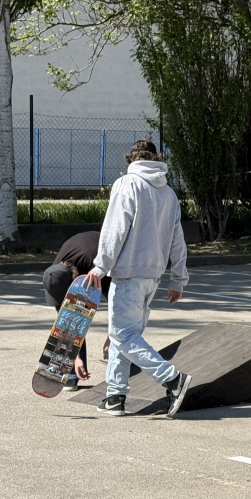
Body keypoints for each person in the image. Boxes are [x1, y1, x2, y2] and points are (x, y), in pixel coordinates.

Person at [84, 139, 192, 418]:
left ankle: (172, 379)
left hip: (129, 272)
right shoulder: (168, 193)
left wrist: (100, 266)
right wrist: (178, 278)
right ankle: (115, 397)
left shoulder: (128, 184)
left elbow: (115, 228)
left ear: (131, 159)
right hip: (153, 276)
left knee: (122, 334)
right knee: (126, 335)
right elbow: (178, 239)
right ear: (155, 159)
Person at [42, 231, 112, 388]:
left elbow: (117, 306)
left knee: (123, 318)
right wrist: (74, 358)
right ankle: (71, 372)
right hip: (82, 260)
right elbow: (68, 321)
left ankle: (123, 369)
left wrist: (111, 337)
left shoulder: (96, 264)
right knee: (72, 315)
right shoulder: (55, 272)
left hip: (111, 261)